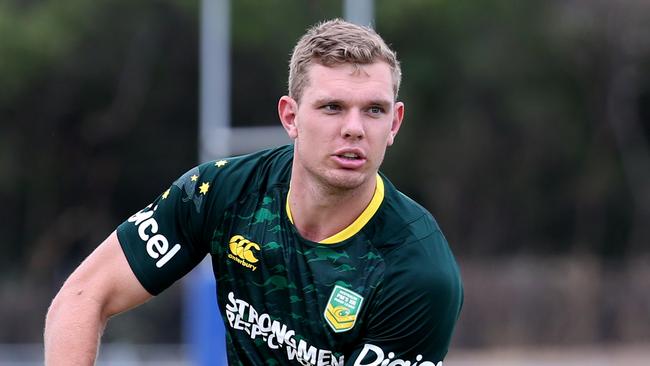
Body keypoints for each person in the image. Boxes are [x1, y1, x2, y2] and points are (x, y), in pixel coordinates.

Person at [44, 19, 463, 366]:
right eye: (332, 107)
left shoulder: (418, 272)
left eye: (374, 110)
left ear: (394, 123)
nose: (354, 128)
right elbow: (82, 297)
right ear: (291, 116)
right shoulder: (221, 192)